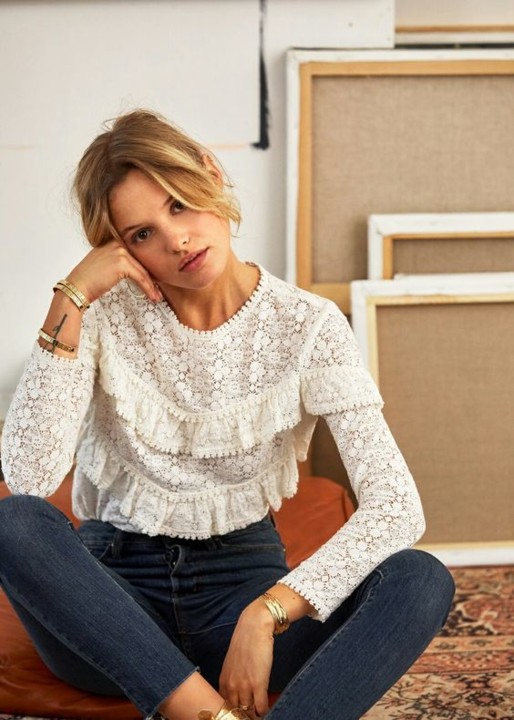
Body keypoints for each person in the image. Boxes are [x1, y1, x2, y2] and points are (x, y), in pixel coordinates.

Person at [0, 109, 454, 720]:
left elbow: (397, 507)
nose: (176, 240)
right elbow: (28, 478)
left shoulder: (309, 325)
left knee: (420, 579)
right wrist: (71, 296)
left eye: (179, 204)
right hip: (112, 613)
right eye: (143, 233)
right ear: (119, 248)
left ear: (209, 173)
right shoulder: (102, 316)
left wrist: (266, 614)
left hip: (243, 594)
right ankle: (200, 714)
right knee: (14, 521)